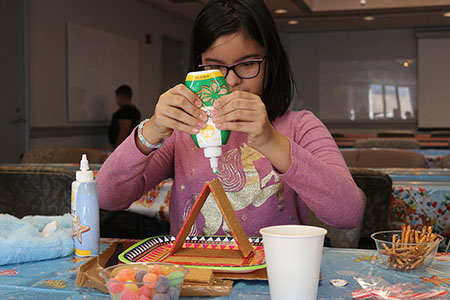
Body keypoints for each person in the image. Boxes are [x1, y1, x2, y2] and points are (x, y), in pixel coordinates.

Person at [97, 0, 364, 237]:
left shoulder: (300, 127)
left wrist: (271, 141)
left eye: (247, 64)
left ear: (271, 64)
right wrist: (152, 130)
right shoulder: (184, 131)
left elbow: (348, 214)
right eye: (214, 67)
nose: (231, 80)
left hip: (272, 278)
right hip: (195, 278)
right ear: (198, 66)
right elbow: (107, 196)